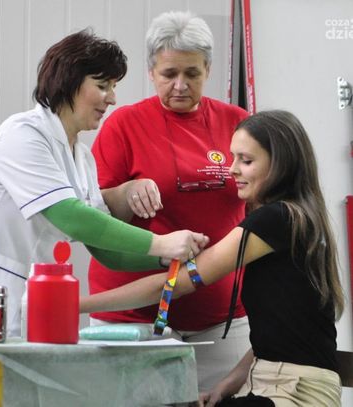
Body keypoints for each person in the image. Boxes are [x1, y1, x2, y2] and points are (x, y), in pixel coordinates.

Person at [0, 29, 208, 337]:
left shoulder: (82, 158)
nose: (112, 98)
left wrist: (164, 257)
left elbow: (107, 251)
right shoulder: (23, 134)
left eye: (113, 87)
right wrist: (161, 242)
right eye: (102, 86)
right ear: (69, 82)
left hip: (30, 296)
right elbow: (71, 217)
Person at [81, 110, 345, 406]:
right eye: (232, 158)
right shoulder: (300, 216)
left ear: (280, 165)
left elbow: (172, 285)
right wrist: (226, 385)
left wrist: (75, 305)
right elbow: (276, 335)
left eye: (246, 161)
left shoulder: (274, 220)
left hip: (293, 392)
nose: (232, 170)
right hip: (277, 383)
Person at [88, 10, 251, 390]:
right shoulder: (124, 124)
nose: (180, 85)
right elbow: (93, 212)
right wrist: (126, 192)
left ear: (208, 69)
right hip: (134, 316)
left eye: (192, 73)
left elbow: (262, 203)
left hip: (223, 315)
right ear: (151, 72)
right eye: (169, 74)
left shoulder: (238, 123)